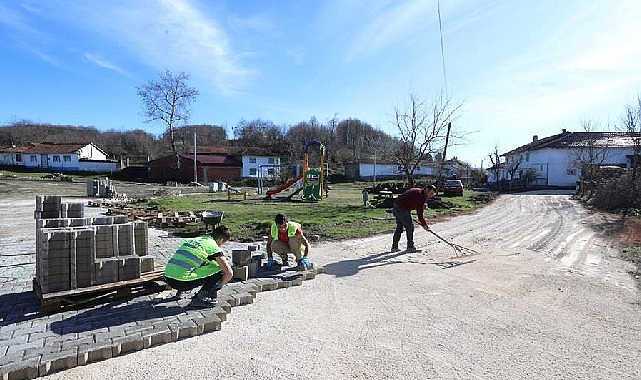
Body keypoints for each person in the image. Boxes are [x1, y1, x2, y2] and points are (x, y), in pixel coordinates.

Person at [164, 225, 233, 308]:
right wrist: (218, 286)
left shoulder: (196, 239)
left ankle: (180, 292)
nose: (221, 245)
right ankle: (200, 298)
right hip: (182, 282)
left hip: (168, 278)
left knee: (192, 264)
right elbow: (229, 272)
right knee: (219, 269)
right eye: (223, 242)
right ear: (221, 239)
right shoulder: (213, 247)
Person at [391, 184, 437, 253]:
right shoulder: (421, 197)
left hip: (396, 207)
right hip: (402, 209)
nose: (431, 195)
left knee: (399, 227)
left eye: (432, 194)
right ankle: (410, 247)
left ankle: (394, 247)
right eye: (431, 193)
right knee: (410, 227)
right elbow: (420, 215)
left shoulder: (418, 191)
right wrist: (425, 225)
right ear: (427, 190)